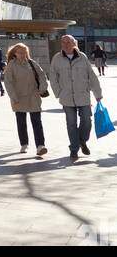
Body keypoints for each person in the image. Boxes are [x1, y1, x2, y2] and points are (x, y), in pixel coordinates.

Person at [49, 33, 103, 161]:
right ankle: (74, 148)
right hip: (66, 96)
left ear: (74, 43)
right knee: (71, 123)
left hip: (83, 95)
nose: (66, 44)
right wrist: (58, 93)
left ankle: (82, 141)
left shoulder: (82, 57)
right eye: (63, 42)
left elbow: (92, 76)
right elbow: (53, 77)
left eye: (68, 42)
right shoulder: (57, 58)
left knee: (86, 120)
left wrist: (98, 94)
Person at [3, 43, 49, 157]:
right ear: (15, 53)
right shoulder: (11, 65)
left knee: (37, 122)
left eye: (24, 52)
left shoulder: (31, 63)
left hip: (33, 96)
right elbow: (8, 82)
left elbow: (42, 75)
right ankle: (24, 144)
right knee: (21, 122)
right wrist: (13, 96)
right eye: (20, 53)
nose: (23, 55)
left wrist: (43, 87)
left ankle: (40, 146)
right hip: (19, 98)